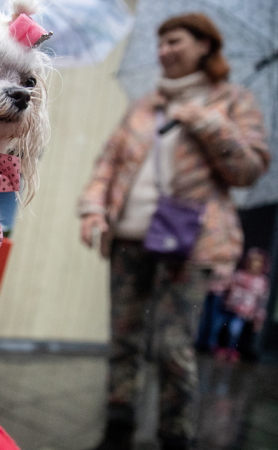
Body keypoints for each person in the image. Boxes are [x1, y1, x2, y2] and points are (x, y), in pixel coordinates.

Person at [77, 13, 269, 450]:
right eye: (160, 43)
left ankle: (175, 434)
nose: (164, 51)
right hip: (129, 237)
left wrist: (206, 121)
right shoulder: (145, 105)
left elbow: (249, 169)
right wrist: (93, 209)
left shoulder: (233, 101)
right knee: (123, 338)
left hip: (192, 241)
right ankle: (118, 426)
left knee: (171, 345)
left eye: (174, 41)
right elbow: (108, 162)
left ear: (205, 45)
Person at [208, 247, 270, 361]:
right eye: (252, 262)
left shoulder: (262, 281)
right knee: (219, 327)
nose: (255, 265)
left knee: (234, 330)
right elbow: (228, 288)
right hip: (229, 308)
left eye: (258, 263)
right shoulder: (239, 275)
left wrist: (259, 317)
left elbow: (261, 301)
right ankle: (217, 347)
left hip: (244, 312)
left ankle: (231, 350)